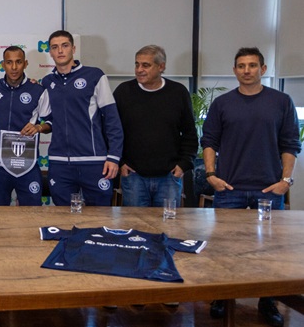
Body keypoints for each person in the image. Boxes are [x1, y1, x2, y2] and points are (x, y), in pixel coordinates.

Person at [202, 47, 301, 327]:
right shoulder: (222, 104)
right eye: (241, 66)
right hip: (229, 189)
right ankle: (223, 297)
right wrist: (211, 174)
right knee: (224, 248)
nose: (247, 70)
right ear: (234, 70)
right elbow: (209, 141)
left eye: (253, 65)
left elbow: (291, 144)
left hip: (268, 190)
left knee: (269, 250)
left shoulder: (281, 101)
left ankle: (267, 301)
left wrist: (286, 181)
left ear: (263, 69)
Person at [41, 30, 123, 206]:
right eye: (55, 47)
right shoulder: (47, 82)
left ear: (73, 49)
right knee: (63, 217)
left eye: (65, 45)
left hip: (94, 161)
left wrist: (113, 156)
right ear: (50, 52)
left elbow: (112, 119)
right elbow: (48, 120)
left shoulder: (94, 76)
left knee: (100, 216)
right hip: (60, 163)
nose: (60, 50)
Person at [113, 45, 197, 207]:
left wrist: (183, 164)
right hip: (133, 175)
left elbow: (190, 133)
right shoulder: (124, 92)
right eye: (137, 64)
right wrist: (120, 162)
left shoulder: (178, 92)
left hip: (169, 176)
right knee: (135, 222)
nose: (139, 70)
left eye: (146, 65)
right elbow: (111, 131)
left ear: (161, 67)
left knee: (168, 222)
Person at [0, 46, 51, 205]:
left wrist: (39, 127)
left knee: (32, 214)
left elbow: (50, 122)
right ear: (3, 64)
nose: (14, 67)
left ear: (25, 63)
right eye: (9, 62)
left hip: (27, 165)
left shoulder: (38, 90)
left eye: (18, 62)